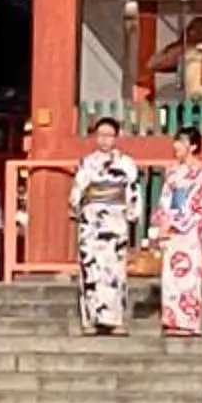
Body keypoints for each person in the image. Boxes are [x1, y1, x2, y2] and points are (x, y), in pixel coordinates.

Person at [69, 118, 142, 333]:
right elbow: (77, 190)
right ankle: (91, 320)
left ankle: (116, 320)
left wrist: (132, 213)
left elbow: (133, 191)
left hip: (115, 219)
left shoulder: (126, 163)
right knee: (91, 269)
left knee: (115, 271)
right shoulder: (87, 162)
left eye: (109, 135)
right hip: (92, 221)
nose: (104, 140)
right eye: (100, 135)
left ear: (116, 137)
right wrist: (75, 207)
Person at [151, 127, 202, 338]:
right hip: (171, 230)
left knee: (188, 276)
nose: (176, 146)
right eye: (176, 141)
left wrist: (176, 223)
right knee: (170, 278)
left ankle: (188, 322)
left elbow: (197, 205)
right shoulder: (173, 172)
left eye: (181, 142)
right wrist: (162, 224)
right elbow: (165, 200)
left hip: (189, 231)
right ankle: (171, 320)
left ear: (193, 146)